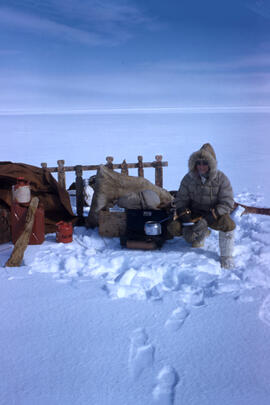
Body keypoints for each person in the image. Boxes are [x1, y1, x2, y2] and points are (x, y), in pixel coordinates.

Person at [175, 143, 236, 269]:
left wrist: (208, 219)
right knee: (173, 228)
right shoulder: (188, 178)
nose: (201, 166)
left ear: (211, 164)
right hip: (194, 214)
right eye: (198, 163)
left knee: (228, 224)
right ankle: (199, 235)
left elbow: (227, 203)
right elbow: (180, 200)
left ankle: (226, 256)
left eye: (205, 163)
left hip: (213, 214)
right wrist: (186, 222)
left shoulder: (221, 179)